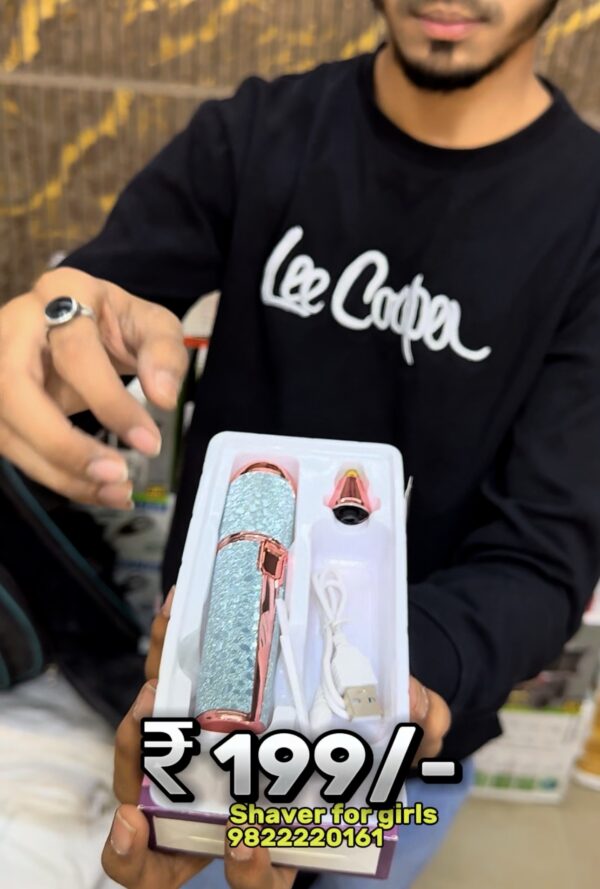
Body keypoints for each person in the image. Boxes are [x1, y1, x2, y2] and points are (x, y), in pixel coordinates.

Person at [1, 0, 599, 885]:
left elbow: (545, 552)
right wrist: (56, 327)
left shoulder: (585, 216)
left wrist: (375, 687)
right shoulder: (256, 133)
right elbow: (103, 295)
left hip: (409, 726)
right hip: (205, 700)